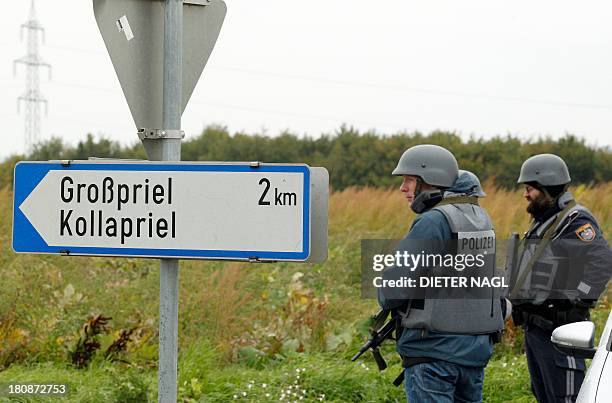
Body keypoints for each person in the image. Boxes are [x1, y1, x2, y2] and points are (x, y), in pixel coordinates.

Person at [378, 144, 504, 403]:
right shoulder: (480, 217)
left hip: (433, 354)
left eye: (409, 180)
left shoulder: (433, 221)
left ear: (429, 182)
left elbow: (394, 290)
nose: (402, 188)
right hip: (472, 352)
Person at [509, 153, 612, 403]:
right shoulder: (545, 221)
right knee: (544, 395)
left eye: (530, 188)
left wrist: (578, 301)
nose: (525, 194)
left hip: (560, 331)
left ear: (549, 188)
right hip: (537, 328)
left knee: (565, 397)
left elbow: (603, 261)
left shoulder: (575, 220)